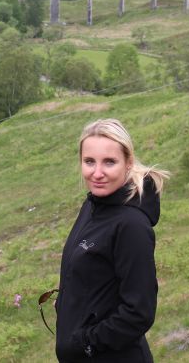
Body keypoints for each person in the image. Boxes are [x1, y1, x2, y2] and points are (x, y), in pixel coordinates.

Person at [55, 118, 169, 362]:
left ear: (128, 163)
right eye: (89, 162)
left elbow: (139, 312)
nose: (97, 173)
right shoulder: (92, 205)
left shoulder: (131, 226)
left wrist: (85, 343)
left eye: (109, 162)